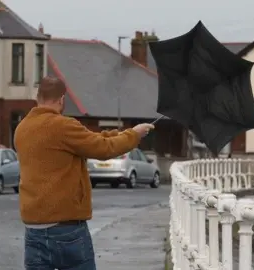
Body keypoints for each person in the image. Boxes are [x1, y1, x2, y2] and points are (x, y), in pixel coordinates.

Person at [14, 76, 154, 270]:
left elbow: (90, 140)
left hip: (33, 230)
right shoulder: (62, 126)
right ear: (62, 99)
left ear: (38, 97)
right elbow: (103, 148)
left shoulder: (22, 128)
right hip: (66, 229)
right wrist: (135, 135)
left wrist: (126, 133)